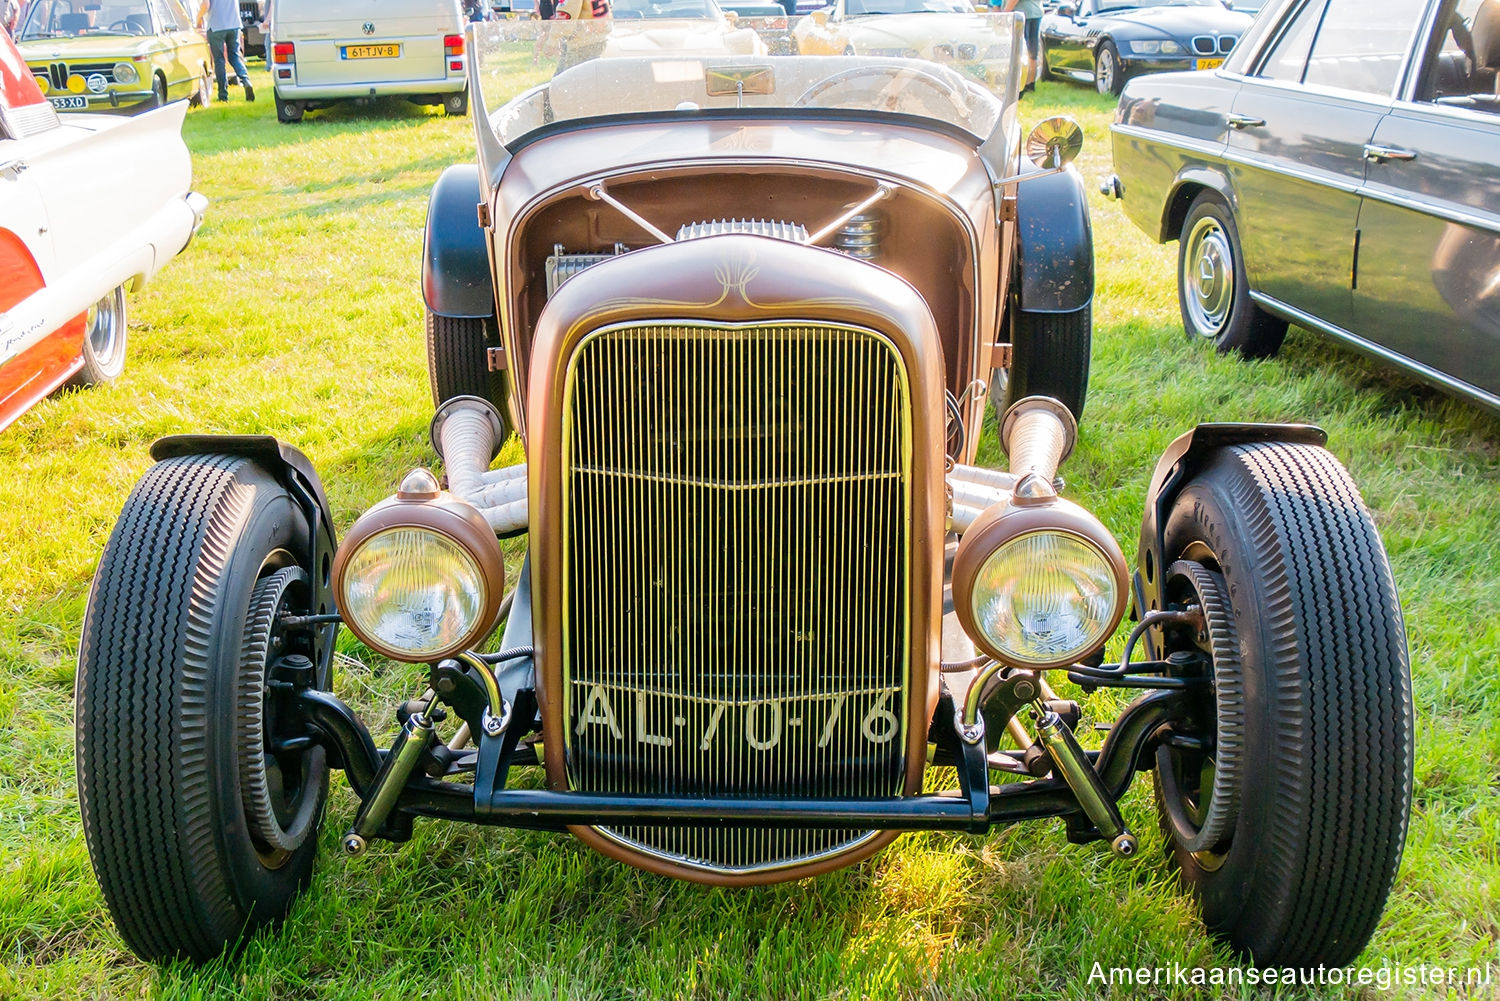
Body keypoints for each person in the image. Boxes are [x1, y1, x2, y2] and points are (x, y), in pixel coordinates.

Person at [196, 0, 255, 101]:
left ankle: (223, 95)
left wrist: (198, 18)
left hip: (216, 25)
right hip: (234, 23)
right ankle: (246, 81)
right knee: (235, 57)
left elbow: (206, 4)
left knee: (219, 61)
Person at [1003, 0, 1042, 95]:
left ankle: (1020, 85)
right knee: (1032, 50)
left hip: (1022, 14)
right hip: (1036, 11)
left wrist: (1005, 12)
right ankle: (1030, 83)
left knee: (1019, 50)